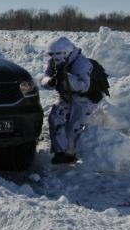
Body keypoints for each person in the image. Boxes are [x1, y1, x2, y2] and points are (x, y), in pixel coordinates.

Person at [39, 36, 99, 164]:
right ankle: (59, 152)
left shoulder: (82, 63)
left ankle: (71, 153)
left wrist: (66, 77)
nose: (55, 57)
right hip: (66, 97)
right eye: (52, 54)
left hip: (85, 99)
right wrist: (51, 81)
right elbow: (44, 78)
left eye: (58, 53)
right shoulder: (53, 62)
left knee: (74, 125)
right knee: (55, 117)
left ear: (67, 51)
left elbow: (84, 86)